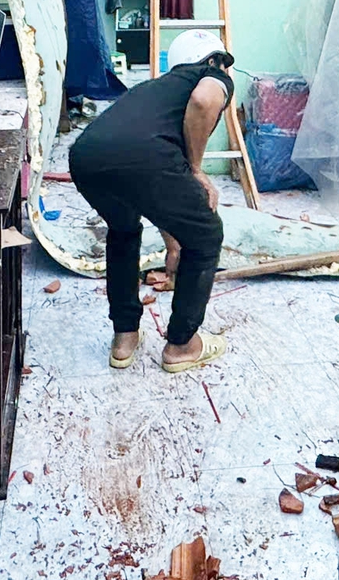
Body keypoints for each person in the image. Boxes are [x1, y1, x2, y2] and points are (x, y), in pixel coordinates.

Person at [66, 42, 234, 371]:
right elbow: (204, 100)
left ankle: (124, 337)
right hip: (141, 160)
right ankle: (182, 345)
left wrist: (172, 243)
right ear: (212, 60)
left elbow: (149, 182)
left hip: (87, 158)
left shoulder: (153, 90)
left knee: (124, 230)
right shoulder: (212, 76)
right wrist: (196, 169)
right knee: (207, 236)